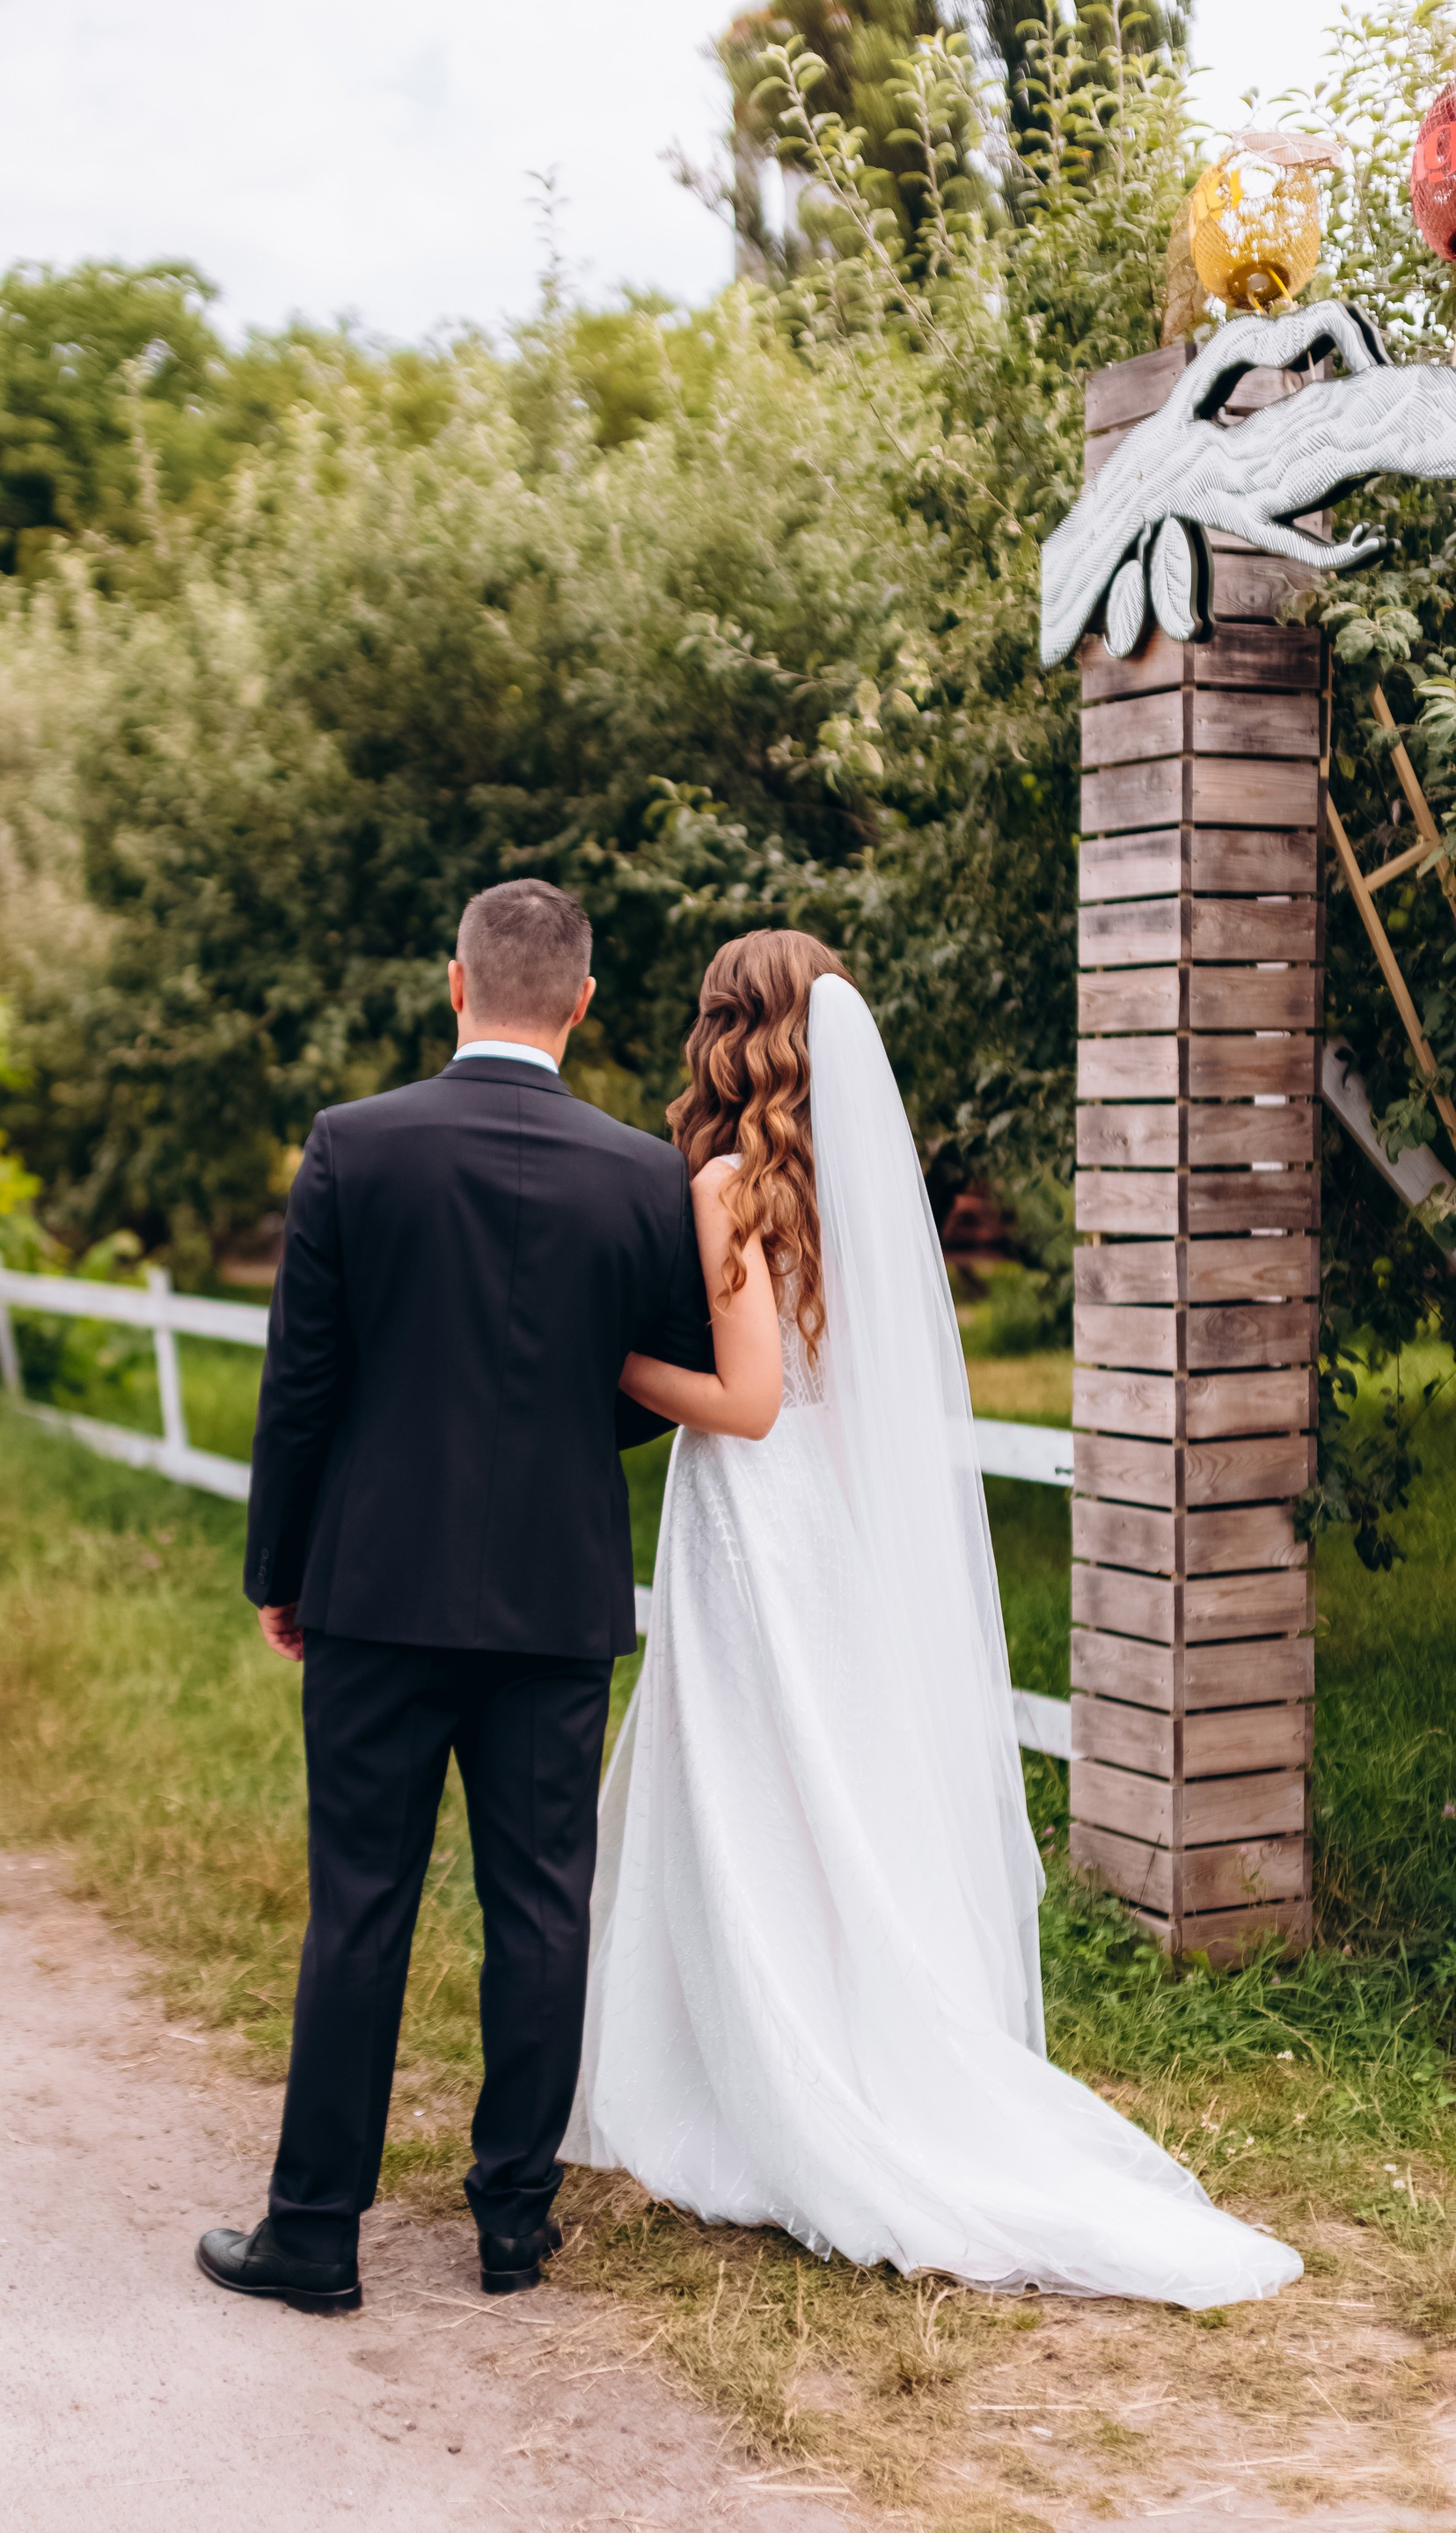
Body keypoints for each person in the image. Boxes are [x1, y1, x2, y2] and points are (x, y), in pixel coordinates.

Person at [565, 931, 1303, 2310]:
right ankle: (809, 2044)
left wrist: (613, 1359)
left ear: (731, 1029)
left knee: (749, 1793)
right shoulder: (840, 1186)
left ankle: (766, 2087)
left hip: (753, 1528)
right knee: (823, 1795)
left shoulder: (725, 1185)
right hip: (825, 1528)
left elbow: (746, 1403)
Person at [196, 880, 721, 2314]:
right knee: (542, 1907)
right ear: (583, 1003)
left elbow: (301, 1382)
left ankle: (315, 2233)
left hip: (374, 1587)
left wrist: (279, 1569)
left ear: (455, 983)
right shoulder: (642, 1173)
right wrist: (556, 1426)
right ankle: (512, 2225)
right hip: (554, 1597)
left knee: (358, 1905)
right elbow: (664, 1375)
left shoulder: (354, 1145)